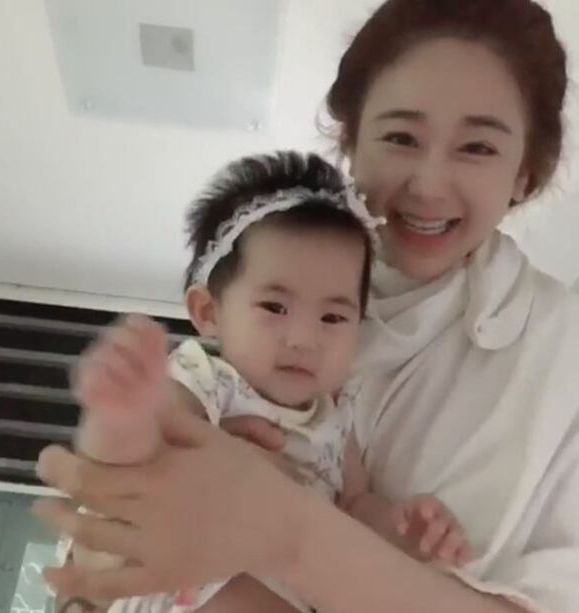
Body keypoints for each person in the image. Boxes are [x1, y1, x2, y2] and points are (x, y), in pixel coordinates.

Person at [33, 0, 579, 611]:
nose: (428, 185)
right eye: (400, 137)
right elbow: (103, 537)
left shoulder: (561, 355)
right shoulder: (269, 288)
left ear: (525, 172)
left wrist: (288, 526)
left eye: (477, 147)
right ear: (351, 143)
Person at [54, 151, 469, 613]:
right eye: (275, 307)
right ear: (209, 311)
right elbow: (150, 448)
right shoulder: (207, 379)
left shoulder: (339, 418)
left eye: (333, 317)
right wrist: (124, 410)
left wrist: (400, 529)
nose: (304, 339)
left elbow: (355, 506)